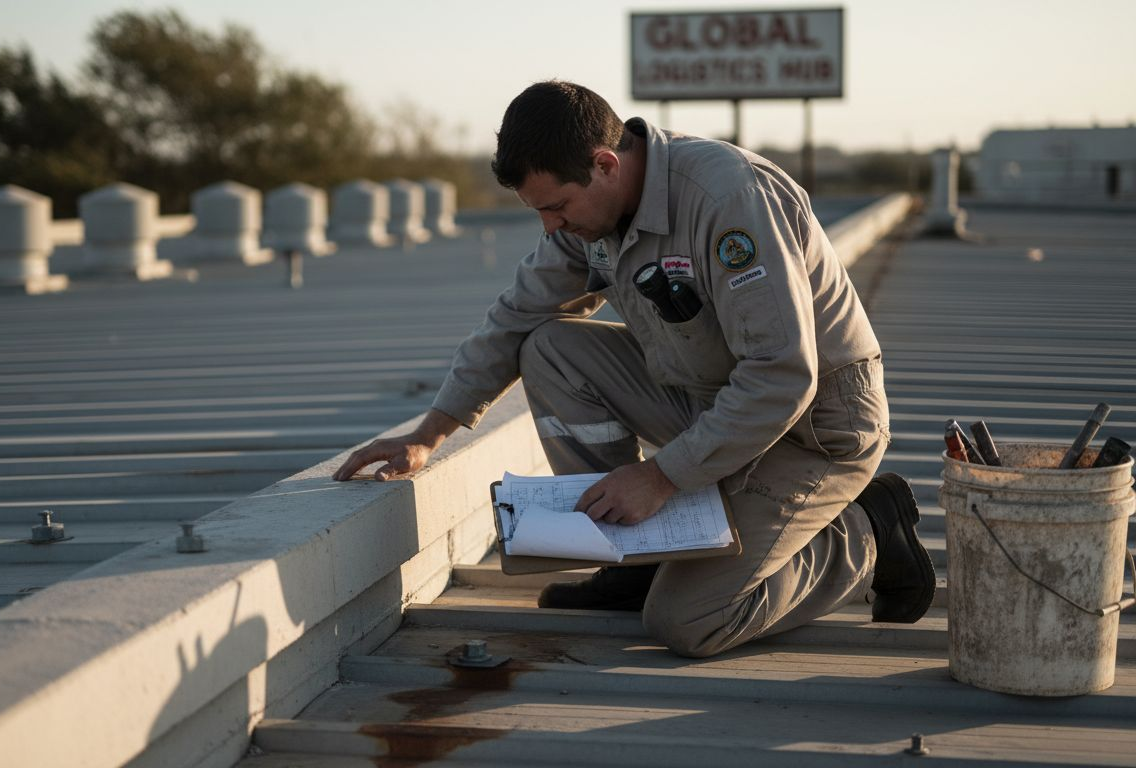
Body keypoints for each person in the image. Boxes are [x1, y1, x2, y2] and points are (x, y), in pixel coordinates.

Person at [334, 80, 934, 658]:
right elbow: (516, 315)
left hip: (814, 429)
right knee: (548, 348)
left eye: (556, 207)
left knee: (689, 622)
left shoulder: (726, 200)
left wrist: (661, 477)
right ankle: (631, 560)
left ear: (605, 163)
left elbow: (782, 375)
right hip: (711, 402)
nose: (550, 226)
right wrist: (426, 435)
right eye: (539, 211)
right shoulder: (589, 216)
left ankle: (867, 535)